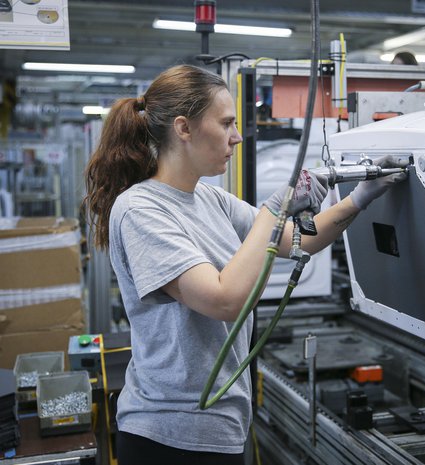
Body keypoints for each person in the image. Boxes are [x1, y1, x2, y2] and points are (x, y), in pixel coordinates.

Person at [82, 64, 406, 465]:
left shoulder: (209, 199)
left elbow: (299, 238)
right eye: (227, 123)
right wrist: (274, 210)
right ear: (183, 129)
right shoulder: (141, 210)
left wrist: (360, 197)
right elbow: (224, 300)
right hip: (169, 437)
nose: (237, 136)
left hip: (222, 427)